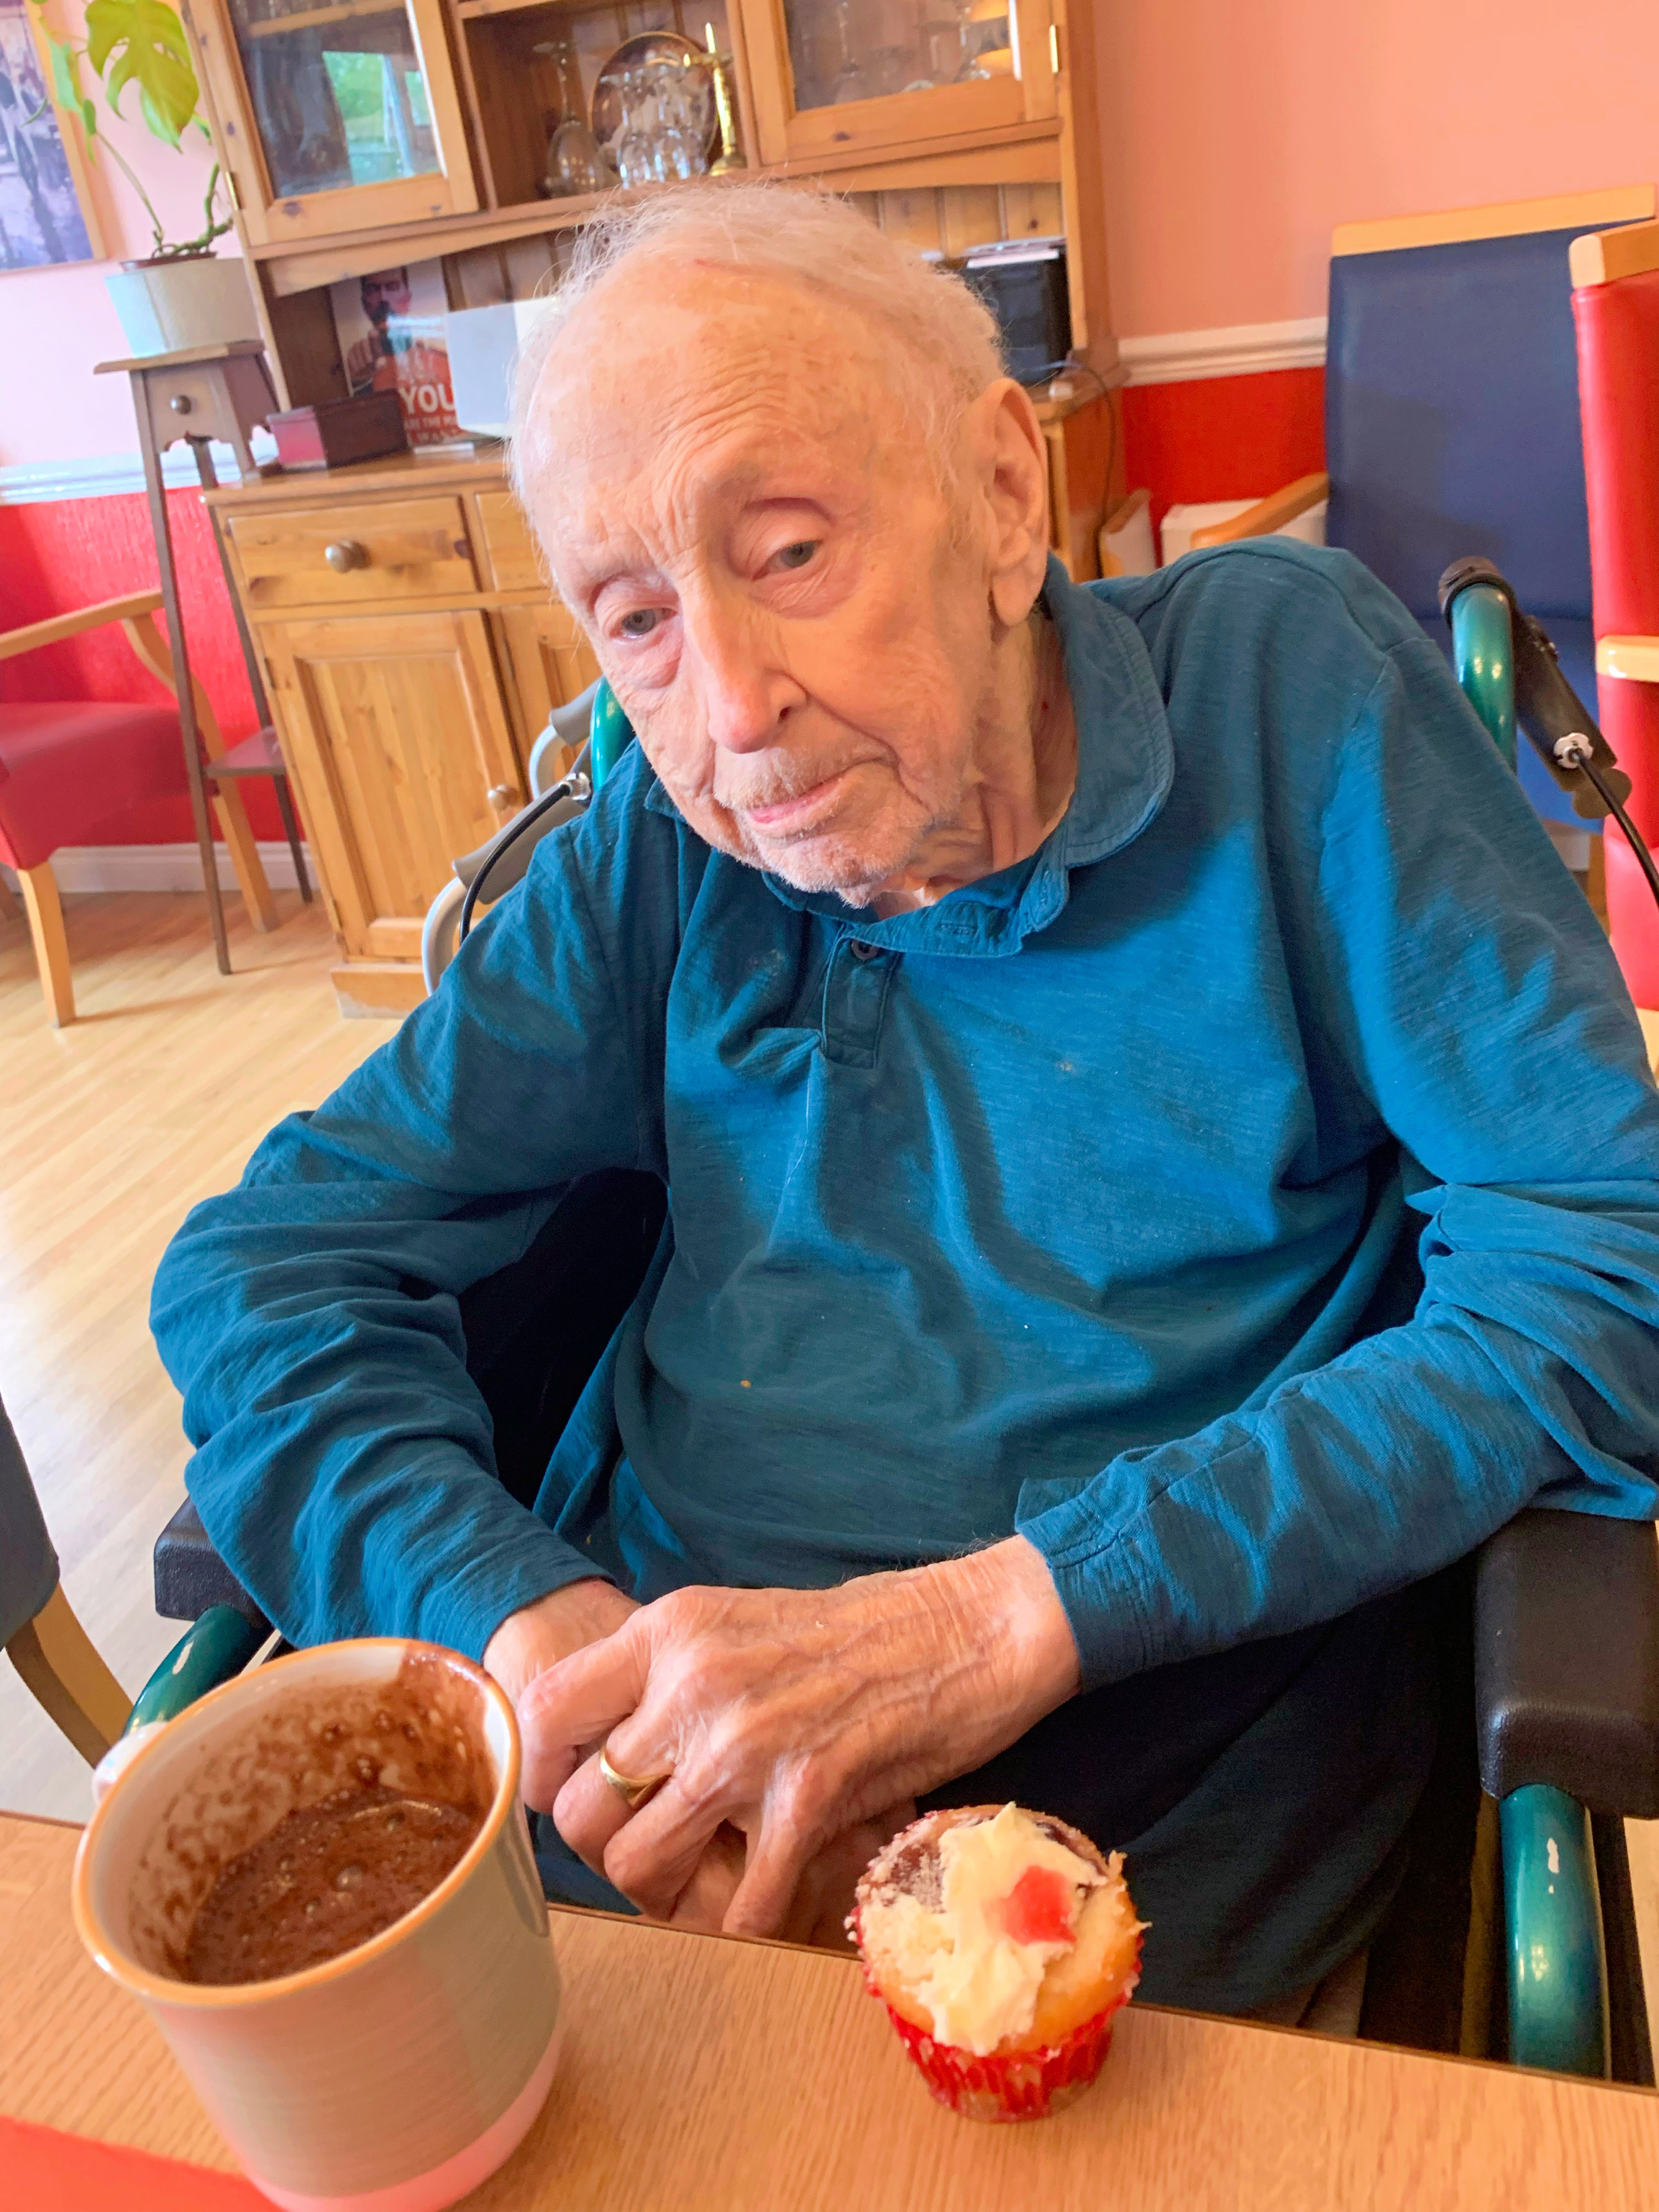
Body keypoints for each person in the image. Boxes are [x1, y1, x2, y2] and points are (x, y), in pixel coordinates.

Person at [152, 184, 1659, 2020]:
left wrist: (1008, 1615)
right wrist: (535, 1646)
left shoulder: (1288, 697)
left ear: (1003, 497)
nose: (731, 712)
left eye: (789, 552)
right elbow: (267, 1267)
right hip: (617, 1863)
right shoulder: (660, 849)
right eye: (635, 620)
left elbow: (1607, 1254)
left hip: (1131, 1893)